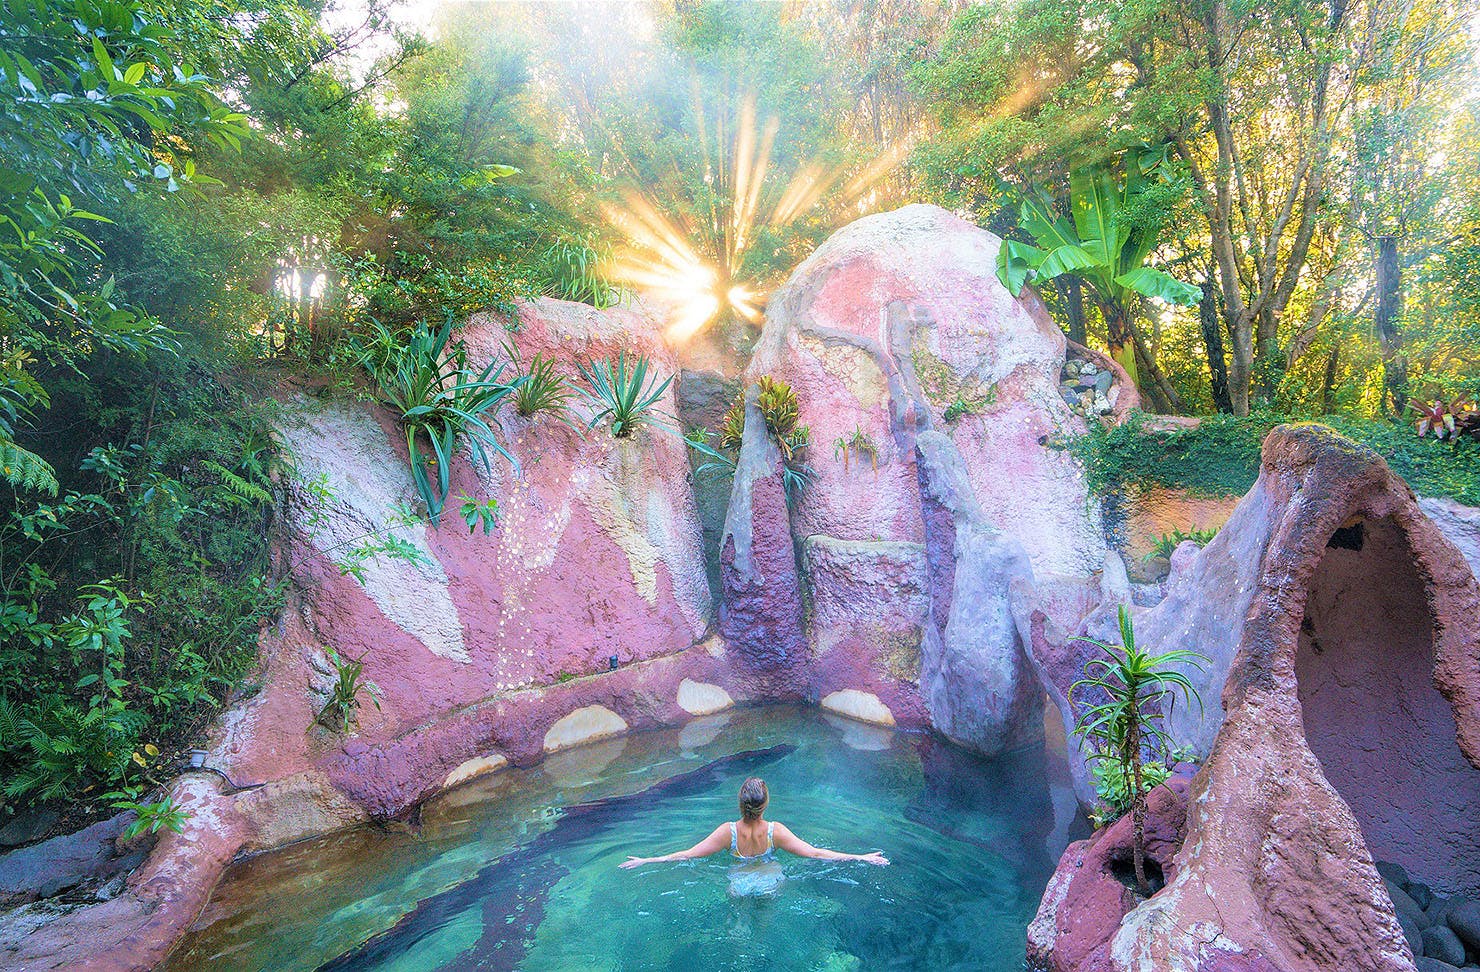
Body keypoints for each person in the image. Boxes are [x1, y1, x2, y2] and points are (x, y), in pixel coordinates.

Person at [618, 777, 889, 870]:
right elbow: (816, 853)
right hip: (770, 878)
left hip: (738, 882)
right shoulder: (776, 832)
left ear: (739, 802)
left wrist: (647, 860)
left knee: (738, 935)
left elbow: (688, 854)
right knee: (762, 930)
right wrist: (860, 857)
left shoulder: (728, 833)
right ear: (766, 804)